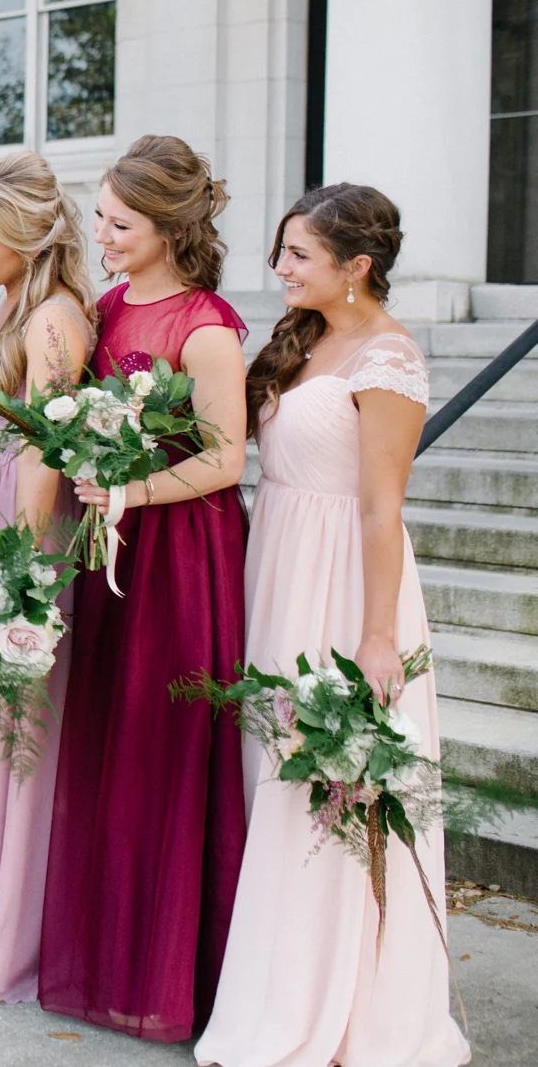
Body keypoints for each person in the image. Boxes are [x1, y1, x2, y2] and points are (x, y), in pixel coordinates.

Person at [195, 185, 469, 1067]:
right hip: (278, 563)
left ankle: (343, 1003)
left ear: (357, 265)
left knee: (322, 781)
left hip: (344, 581)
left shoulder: (390, 360)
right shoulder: (303, 337)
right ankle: (277, 981)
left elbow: (382, 508)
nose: (279, 267)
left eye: (298, 254)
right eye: (281, 250)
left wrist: (378, 636)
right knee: (268, 765)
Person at [40, 135, 249, 1042]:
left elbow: (226, 458)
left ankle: (172, 974)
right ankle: (106, 957)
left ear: (168, 227)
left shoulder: (206, 326)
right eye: (100, 218)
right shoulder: (106, 309)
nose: (103, 235)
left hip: (182, 553)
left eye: (120, 224)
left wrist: (135, 490)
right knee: (105, 737)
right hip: (109, 543)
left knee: (164, 743)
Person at [0, 152, 94, 1003]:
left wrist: (18, 577)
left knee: (16, 729)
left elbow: (45, 451)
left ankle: (7, 937)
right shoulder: (17, 305)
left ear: (29, 241)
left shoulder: (53, 322)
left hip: (23, 531)